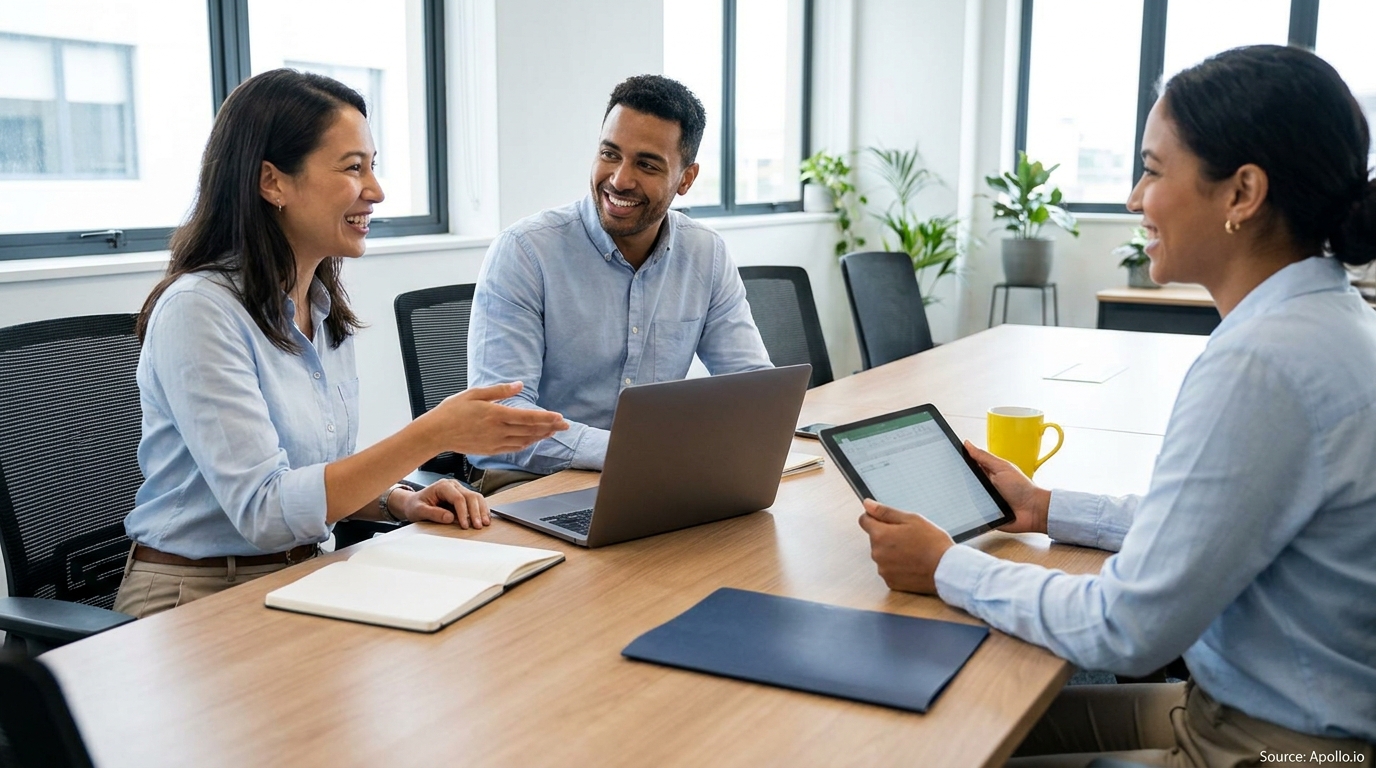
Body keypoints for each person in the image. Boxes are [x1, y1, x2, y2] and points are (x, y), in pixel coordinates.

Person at [858, 45, 1376, 766]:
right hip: (1265, 717)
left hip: (1279, 746)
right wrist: (1042, 508)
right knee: (967, 724)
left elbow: (1125, 629)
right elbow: (1206, 523)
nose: (1134, 198)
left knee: (932, 746)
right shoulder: (1321, 320)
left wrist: (946, 565)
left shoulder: (1263, 363)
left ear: (1242, 193)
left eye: (1154, 171)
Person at [113, 69, 567, 619]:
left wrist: (399, 499)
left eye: (372, 166)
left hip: (307, 576)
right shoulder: (199, 310)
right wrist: (433, 433)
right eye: (354, 168)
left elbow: (313, 476)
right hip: (196, 598)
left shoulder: (321, 305)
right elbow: (267, 510)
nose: (375, 191)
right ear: (272, 182)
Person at [464, 75, 771, 490]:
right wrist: (631, 454)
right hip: (532, 484)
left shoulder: (706, 254)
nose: (620, 179)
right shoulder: (525, 252)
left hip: (649, 480)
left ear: (686, 178)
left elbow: (753, 389)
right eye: (610, 154)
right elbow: (500, 421)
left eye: (646, 164)